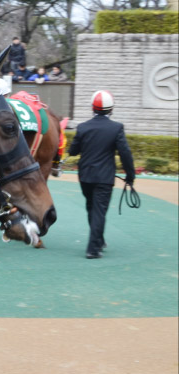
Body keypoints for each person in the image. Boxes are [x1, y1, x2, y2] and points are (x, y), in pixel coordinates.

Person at [68, 90, 135, 259]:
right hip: (104, 177)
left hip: (85, 176)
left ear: (93, 108)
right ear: (111, 109)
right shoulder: (116, 128)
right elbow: (125, 153)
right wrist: (130, 175)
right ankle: (93, 249)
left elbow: (73, 151)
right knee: (99, 210)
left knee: (92, 207)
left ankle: (99, 240)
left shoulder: (83, 127)